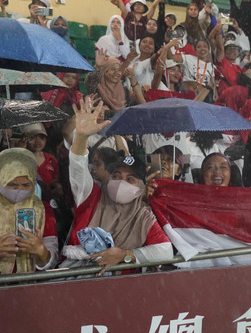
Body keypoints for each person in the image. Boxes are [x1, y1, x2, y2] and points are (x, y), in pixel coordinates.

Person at [63, 97, 172, 275]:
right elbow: (77, 168)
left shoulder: (143, 215)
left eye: (130, 179)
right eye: (116, 176)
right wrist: (81, 137)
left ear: (141, 188)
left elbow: (165, 251)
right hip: (78, 281)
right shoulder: (91, 196)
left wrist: (124, 255)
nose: (121, 182)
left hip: (120, 290)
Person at [0, 148, 58, 274]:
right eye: (11, 184)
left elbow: (51, 260)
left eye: (26, 185)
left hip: (27, 285)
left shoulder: (43, 210)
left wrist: (41, 251)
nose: (19, 189)